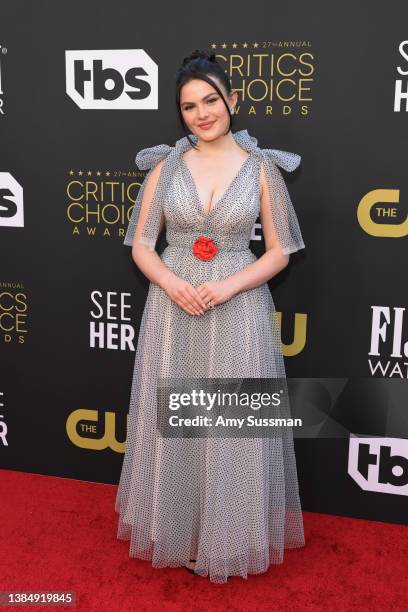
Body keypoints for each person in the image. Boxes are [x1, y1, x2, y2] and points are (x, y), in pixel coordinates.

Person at [115, 49, 306, 584]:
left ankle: (226, 541)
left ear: (232, 101)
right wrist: (176, 286)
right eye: (189, 105)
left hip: (237, 307)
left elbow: (278, 251)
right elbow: (143, 247)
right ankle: (174, 530)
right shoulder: (164, 166)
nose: (201, 113)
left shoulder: (262, 168)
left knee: (230, 429)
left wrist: (223, 287)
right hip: (174, 310)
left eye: (211, 100)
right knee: (174, 425)